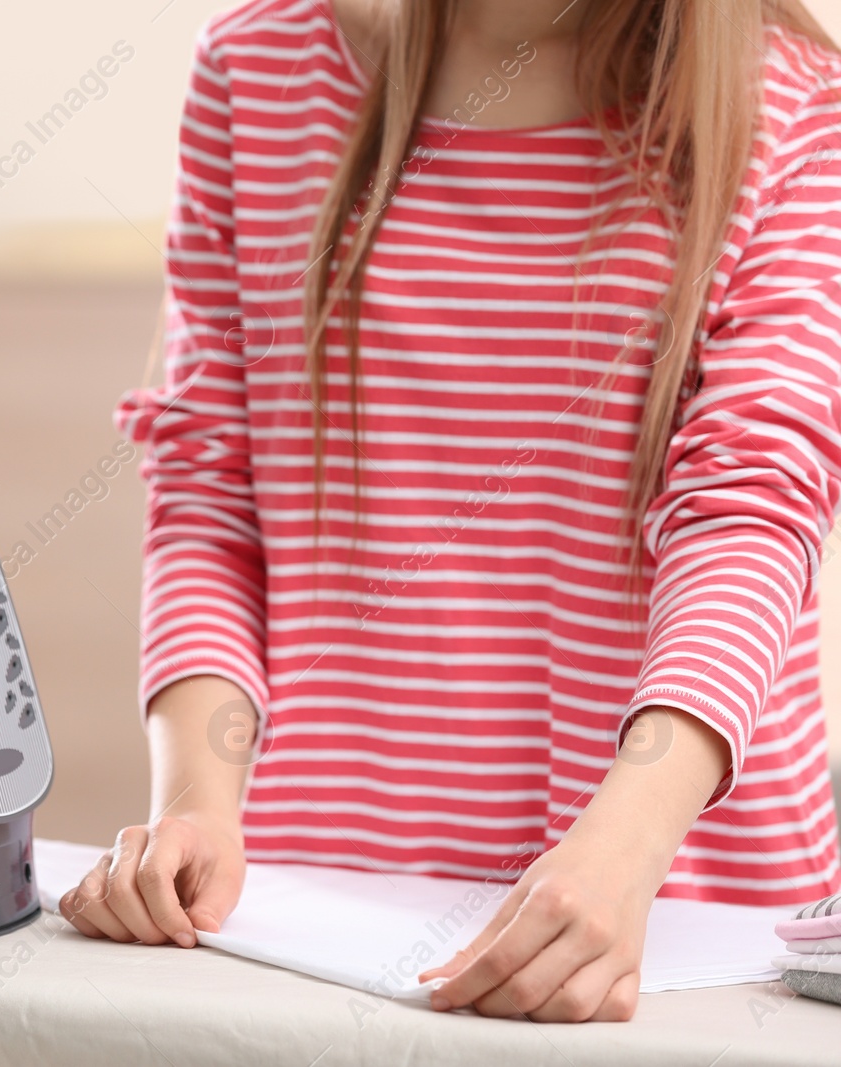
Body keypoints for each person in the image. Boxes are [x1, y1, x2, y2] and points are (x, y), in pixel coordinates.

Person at [59, 0, 841, 1023]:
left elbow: (748, 510)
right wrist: (197, 802)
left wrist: (622, 848)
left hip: (682, 915)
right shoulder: (258, 69)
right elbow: (212, 496)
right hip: (332, 917)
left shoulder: (792, 101)